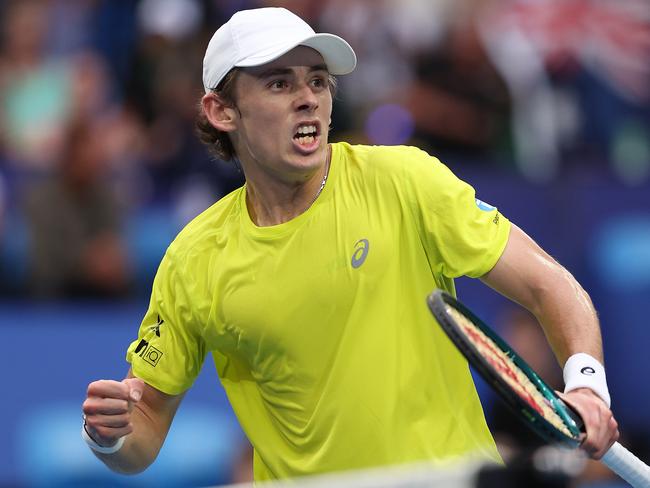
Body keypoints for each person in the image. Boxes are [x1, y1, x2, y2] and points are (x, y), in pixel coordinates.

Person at [81, 7, 619, 482]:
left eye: (317, 82)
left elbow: (548, 283)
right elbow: (145, 426)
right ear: (223, 112)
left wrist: (588, 384)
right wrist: (112, 436)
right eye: (278, 84)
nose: (308, 99)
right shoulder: (193, 259)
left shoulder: (406, 181)